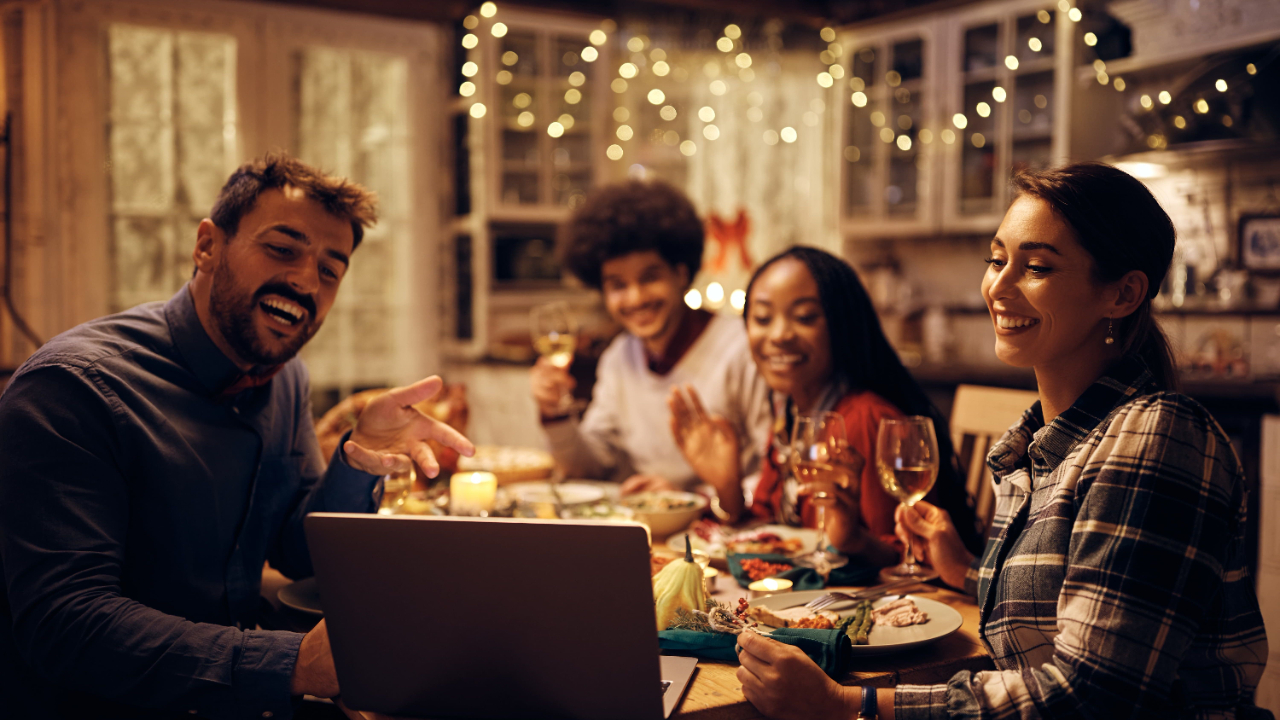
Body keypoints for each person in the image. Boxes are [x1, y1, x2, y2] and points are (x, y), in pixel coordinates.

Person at [735, 162, 1271, 719]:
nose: (998, 286)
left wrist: (848, 703)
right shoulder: (1042, 440)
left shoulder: (1154, 434)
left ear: (1123, 293)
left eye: (1035, 266)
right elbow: (1067, 601)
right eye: (996, 260)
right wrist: (966, 568)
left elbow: (1091, 695)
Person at [0, 154, 475, 719]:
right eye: (282, 248)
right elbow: (66, 625)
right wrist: (293, 663)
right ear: (207, 246)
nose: (306, 280)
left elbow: (298, 552)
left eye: (330, 269)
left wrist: (356, 460)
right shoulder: (71, 387)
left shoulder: (285, 377)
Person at [670, 246, 980, 560]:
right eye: (763, 318)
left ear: (841, 325)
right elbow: (772, 524)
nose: (779, 335)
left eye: (804, 317)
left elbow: (911, 556)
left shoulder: (865, 419)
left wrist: (854, 539)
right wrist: (728, 488)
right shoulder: (792, 412)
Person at [531, 179, 770, 519]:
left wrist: (693, 499)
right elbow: (589, 468)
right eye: (618, 285)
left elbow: (774, 471)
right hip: (651, 537)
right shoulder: (619, 357)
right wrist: (553, 412)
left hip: (733, 534)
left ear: (681, 273)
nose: (636, 298)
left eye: (650, 277)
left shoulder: (741, 349)